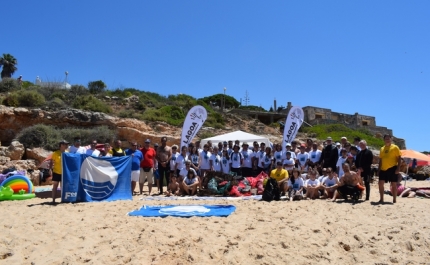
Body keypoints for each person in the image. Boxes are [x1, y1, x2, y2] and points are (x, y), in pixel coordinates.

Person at [378, 134, 402, 203]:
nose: (387, 140)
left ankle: (394, 199)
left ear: (391, 139)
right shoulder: (382, 148)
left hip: (392, 168)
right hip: (383, 169)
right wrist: (379, 169)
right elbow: (381, 160)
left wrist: (398, 168)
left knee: (393, 184)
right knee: (380, 183)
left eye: (388, 139)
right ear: (384, 140)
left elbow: (399, 158)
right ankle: (381, 199)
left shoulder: (395, 147)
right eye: (386, 139)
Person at [49, 140, 69, 204]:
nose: (66, 145)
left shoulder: (67, 152)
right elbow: (51, 162)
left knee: (62, 187)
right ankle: (53, 200)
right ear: (61, 145)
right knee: (55, 186)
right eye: (65, 144)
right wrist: (50, 169)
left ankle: (62, 200)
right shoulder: (55, 153)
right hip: (56, 172)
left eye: (67, 144)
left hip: (64, 173)